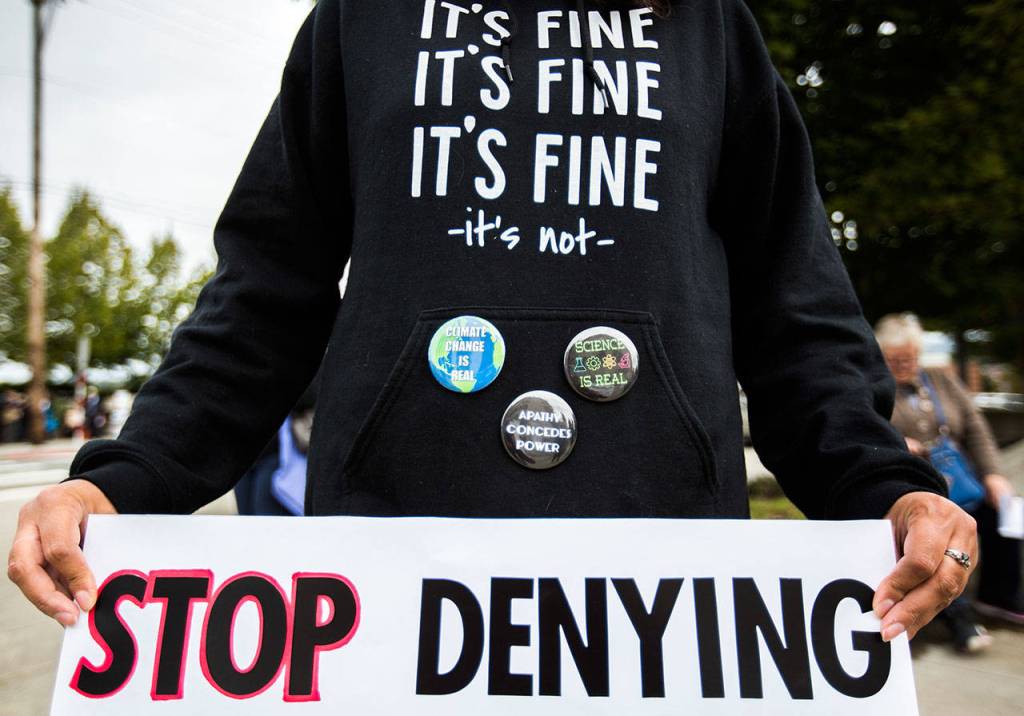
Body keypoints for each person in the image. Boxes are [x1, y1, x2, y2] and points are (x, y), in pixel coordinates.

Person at [9, 0, 974, 647]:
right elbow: (265, 293)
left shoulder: (710, 25)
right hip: (384, 602)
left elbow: (793, 307)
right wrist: (122, 486)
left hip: (667, 605)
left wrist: (881, 485)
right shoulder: (363, 16)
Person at [876, 313, 1023, 649]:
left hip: (962, 478)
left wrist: (993, 476)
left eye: (910, 358)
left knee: (1003, 513)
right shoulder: (876, 387)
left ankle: (1000, 598)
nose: (904, 365)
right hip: (917, 483)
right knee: (939, 540)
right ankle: (960, 619)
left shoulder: (940, 380)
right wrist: (899, 444)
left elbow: (975, 428)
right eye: (895, 360)